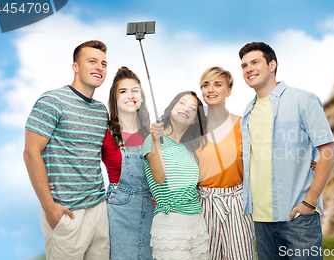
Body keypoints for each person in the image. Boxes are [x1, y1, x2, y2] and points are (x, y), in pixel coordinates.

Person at [239, 42, 334, 259]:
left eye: (255, 62)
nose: (248, 69)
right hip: (261, 220)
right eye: (244, 65)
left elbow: (329, 151)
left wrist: (309, 202)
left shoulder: (303, 99)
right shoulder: (249, 110)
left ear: (272, 65)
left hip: (298, 217)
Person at [23, 40, 110, 259]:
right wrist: (48, 206)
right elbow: (31, 153)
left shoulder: (101, 111)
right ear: (75, 67)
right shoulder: (52, 100)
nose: (99, 67)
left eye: (103, 63)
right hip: (67, 212)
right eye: (92, 61)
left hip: (99, 209)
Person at [196, 67, 256, 260]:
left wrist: (309, 159)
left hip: (237, 203)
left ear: (228, 91)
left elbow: (265, 157)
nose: (211, 89)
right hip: (202, 204)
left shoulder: (243, 124)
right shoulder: (192, 128)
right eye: (206, 85)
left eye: (217, 84)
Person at [143, 91, 211, 260]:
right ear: (171, 108)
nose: (186, 109)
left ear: (195, 119)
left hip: (197, 223)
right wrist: (154, 140)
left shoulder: (189, 149)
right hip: (170, 223)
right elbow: (159, 178)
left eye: (192, 108)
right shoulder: (152, 140)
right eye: (182, 103)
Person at [101, 66, 154, 259]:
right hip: (119, 212)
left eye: (135, 90)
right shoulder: (106, 134)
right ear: (115, 99)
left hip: (153, 210)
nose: (130, 95)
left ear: (141, 97)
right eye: (123, 91)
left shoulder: (152, 134)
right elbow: (82, 160)